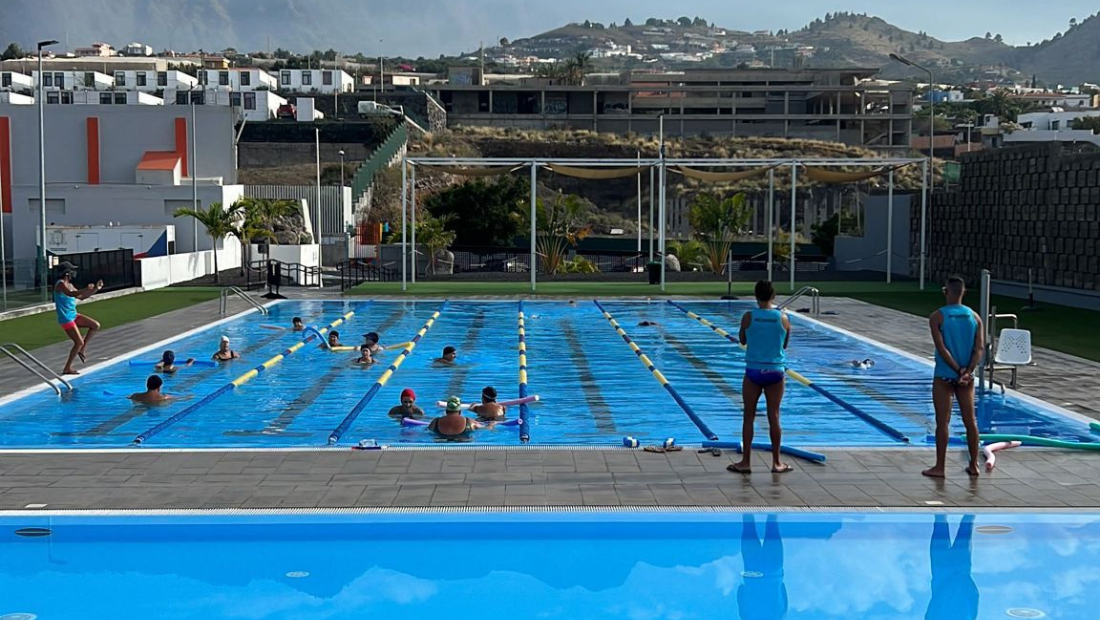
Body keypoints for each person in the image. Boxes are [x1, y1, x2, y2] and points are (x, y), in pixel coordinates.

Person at [924, 276, 985, 478]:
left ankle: (940, 467)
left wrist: (957, 369)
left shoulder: (937, 317)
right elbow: (979, 349)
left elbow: (942, 349)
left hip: (944, 376)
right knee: (971, 422)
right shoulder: (975, 317)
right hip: (967, 378)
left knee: (943, 422)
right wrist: (967, 371)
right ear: (963, 292)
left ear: (946, 291)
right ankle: (974, 465)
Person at [729, 280, 792, 475]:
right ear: (773, 296)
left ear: (756, 296)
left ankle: (746, 462)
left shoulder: (748, 317)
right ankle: (777, 463)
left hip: (754, 371)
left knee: (749, 416)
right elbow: (784, 345)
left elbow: (742, 340)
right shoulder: (783, 318)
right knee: (774, 416)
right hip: (775, 371)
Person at [53, 261, 104, 375]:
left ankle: (82, 349)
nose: (73, 273)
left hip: (73, 315)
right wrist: (86, 288)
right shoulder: (60, 284)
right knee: (78, 342)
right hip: (66, 318)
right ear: (67, 273)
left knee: (95, 325)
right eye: (71, 271)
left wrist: (96, 289)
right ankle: (67, 368)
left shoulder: (70, 285)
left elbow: (81, 297)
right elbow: (71, 294)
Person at [924, 515, 979, 620]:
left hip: (944, 574)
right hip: (956, 573)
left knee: (944, 521)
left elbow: (974, 598)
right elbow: (973, 599)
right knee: (966, 523)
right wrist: (964, 578)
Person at [738, 514, 788, 620]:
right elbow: (740, 591)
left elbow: (783, 589)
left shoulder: (780, 617)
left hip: (774, 570)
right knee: (748, 523)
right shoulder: (746, 617)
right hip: (752, 567)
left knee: (772, 523)